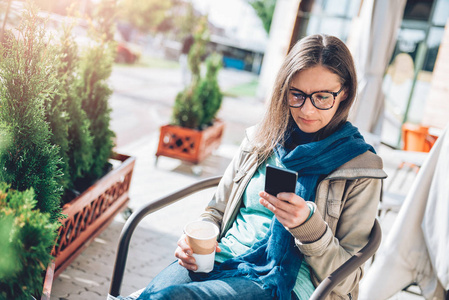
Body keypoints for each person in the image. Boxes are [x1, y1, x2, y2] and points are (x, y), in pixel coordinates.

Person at [134, 34, 387, 300]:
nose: (308, 110)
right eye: (297, 95)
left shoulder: (361, 168)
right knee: (153, 295)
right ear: (284, 90)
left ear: (344, 93)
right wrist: (194, 238)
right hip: (221, 256)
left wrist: (309, 227)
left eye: (322, 97)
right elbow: (215, 211)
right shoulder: (261, 140)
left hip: (289, 283)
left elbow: (347, 281)